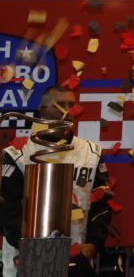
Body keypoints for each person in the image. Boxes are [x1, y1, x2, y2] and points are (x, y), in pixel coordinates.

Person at [1, 85, 112, 277]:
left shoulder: (91, 153)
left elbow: (101, 204)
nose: (67, 110)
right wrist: (30, 248)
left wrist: (93, 245)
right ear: (43, 110)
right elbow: (8, 208)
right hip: (26, 259)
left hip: (76, 256)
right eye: (60, 104)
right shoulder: (18, 154)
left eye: (71, 104)